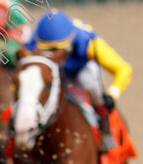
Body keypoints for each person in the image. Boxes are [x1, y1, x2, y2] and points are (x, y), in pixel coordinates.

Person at [26, 11, 133, 153]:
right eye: (47, 50)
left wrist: (112, 94)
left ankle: (105, 130)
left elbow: (124, 69)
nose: (53, 55)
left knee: (92, 85)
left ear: (69, 44)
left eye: (56, 50)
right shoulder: (35, 41)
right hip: (50, 70)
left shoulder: (89, 44)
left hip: (80, 69)